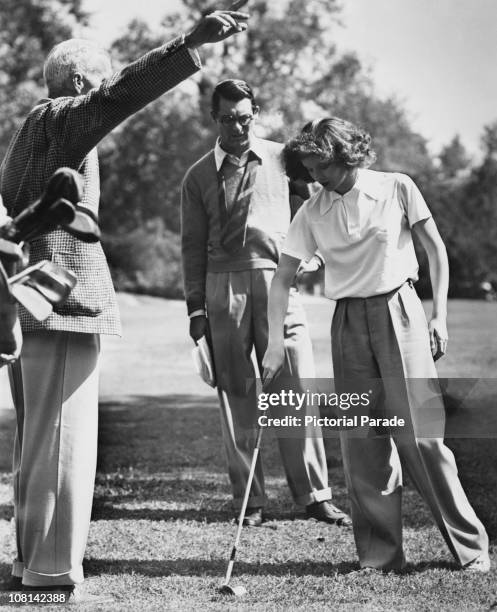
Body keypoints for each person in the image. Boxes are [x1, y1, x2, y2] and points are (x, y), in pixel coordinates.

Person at [0, 7, 249, 600]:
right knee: (63, 439)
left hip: (25, 300)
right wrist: (189, 44)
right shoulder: (63, 117)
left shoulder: (25, 131)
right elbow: (119, 97)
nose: (100, 92)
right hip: (62, 301)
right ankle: (52, 571)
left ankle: (29, 562)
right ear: (80, 83)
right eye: (99, 79)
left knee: (36, 440)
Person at [262, 117, 490, 572]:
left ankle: (470, 548)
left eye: (320, 167)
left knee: (423, 437)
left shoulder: (396, 187)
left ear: (345, 154)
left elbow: (435, 249)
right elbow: (282, 278)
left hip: (400, 312)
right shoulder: (312, 211)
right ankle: (380, 555)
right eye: (307, 170)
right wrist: (273, 343)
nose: (314, 178)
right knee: (363, 441)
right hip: (347, 323)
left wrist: (439, 314)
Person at [181, 80, 351, 528]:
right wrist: (196, 309)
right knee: (238, 396)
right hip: (222, 288)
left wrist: (313, 259)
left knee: (296, 386)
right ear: (213, 119)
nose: (237, 126)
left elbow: (320, 207)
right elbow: (192, 246)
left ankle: (315, 495)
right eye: (226, 118)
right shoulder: (197, 175)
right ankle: (250, 500)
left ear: (255, 111)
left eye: (244, 116)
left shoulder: (284, 160)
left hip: (279, 284)